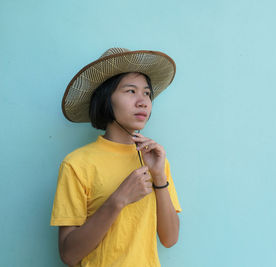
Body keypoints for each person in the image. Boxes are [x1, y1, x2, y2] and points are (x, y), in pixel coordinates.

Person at [50, 48, 182, 267]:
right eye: (131, 91)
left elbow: (170, 239)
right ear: (106, 100)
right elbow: (69, 255)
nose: (143, 102)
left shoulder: (156, 160)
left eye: (147, 93)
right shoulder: (77, 164)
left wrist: (159, 177)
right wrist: (118, 199)